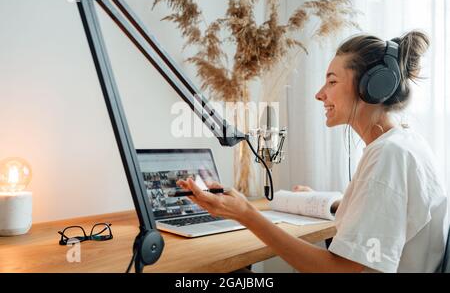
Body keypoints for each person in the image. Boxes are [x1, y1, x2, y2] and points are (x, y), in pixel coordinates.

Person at [177, 31, 448, 273]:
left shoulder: (388, 155)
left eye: (331, 82)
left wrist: (246, 214)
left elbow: (338, 270)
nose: (319, 94)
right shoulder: (404, 143)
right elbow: (389, 213)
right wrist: (327, 202)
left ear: (371, 87)